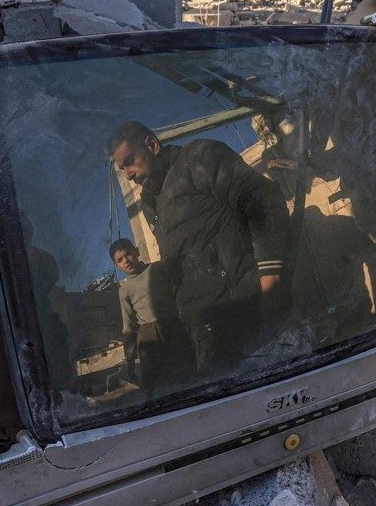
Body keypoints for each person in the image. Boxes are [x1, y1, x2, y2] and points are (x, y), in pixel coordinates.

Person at [107, 121, 289, 374]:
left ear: (152, 145)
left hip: (247, 310)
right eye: (121, 168)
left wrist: (270, 279)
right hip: (207, 331)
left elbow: (262, 199)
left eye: (129, 161)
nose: (127, 174)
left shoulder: (198, 158)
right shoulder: (150, 203)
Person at [110, 237, 194, 391]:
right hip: (147, 336)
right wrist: (129, 358)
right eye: (120, 260)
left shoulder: (158, 269)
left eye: (128, 254)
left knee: (186, 373)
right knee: (155, 383)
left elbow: (180, 291)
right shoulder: (124, 290)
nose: (126, 261)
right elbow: (128, 325)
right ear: (117, 265)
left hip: (173, 327)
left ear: (137, 252)